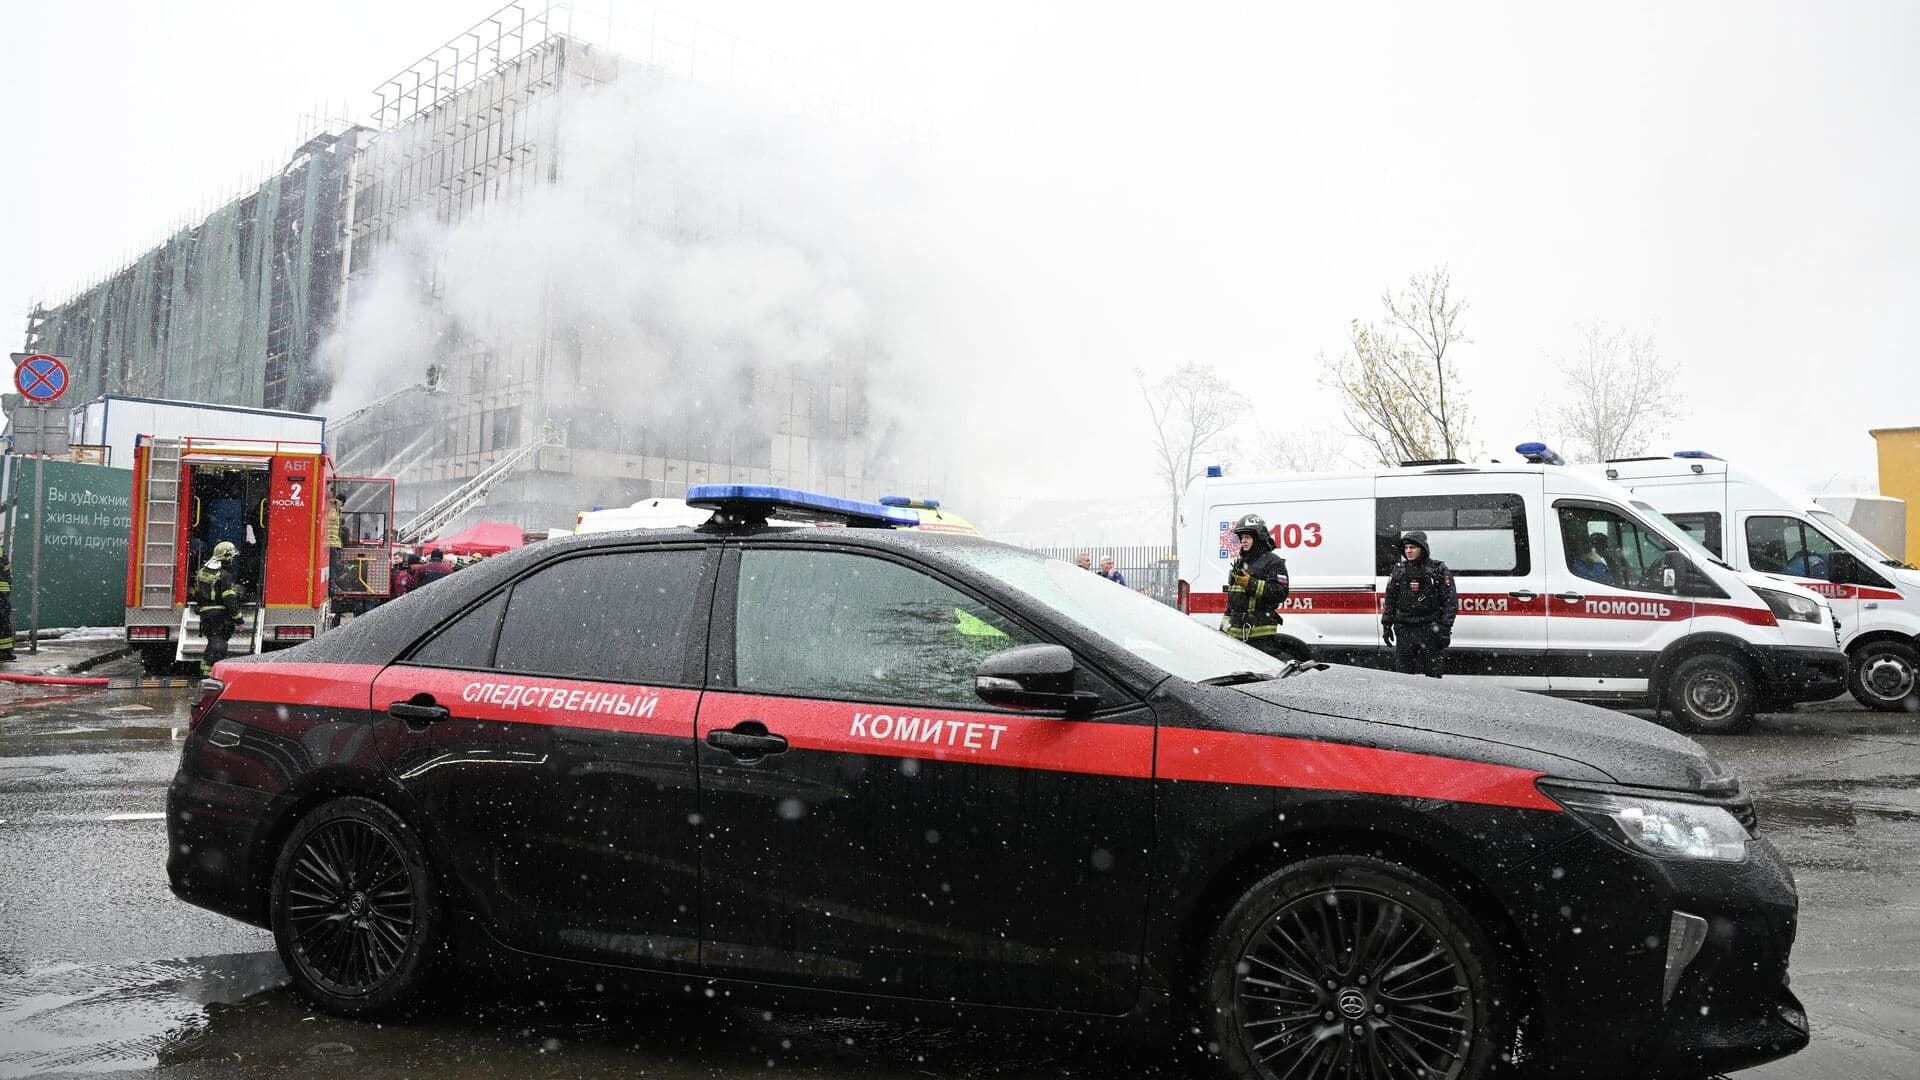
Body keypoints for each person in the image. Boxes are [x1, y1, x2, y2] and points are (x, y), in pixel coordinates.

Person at [1381, 530, 1457, 678]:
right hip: (1405, 629)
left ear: (1422, 548)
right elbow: (1390, 599)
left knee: (1433, 677)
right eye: (1406, 547)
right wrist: (1386, 624)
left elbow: (1450, 602)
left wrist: (1445, 629)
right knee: (1404, 677)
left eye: (1412, 547)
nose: (1408, 551)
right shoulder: (1399, 570)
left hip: (1430, 628)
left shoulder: (1438, 570)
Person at [1220, 514, 1290, 657]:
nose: (1243, 541)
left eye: (1247, 537)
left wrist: (1251, 584)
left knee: (1263, 677)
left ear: (1258, 538)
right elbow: (1232, 600)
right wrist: (1223, 627)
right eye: (1242, 538)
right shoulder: (1240, 563)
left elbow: (1280, 592)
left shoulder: (1273, 562)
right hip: (1236, 637)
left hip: (1261, 638)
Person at [192, 540, 244, 677]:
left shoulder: (202, 571)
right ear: (227, 556)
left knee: (212, 643)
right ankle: (212, 677)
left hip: (206, 615)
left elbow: (197, 593)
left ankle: (204, 671)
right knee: (219, 646)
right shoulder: (224, 576)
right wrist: (238, 620)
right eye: (232, 556)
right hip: (219, 617)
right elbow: (229, 599)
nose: (233, 559)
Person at [0, 547, 14, 662]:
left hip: (2, 595)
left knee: (3, 623)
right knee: (4, 623)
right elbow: (7, 574)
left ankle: (5, 652)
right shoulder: (1, 551)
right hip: (3, 595)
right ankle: (5, 652)